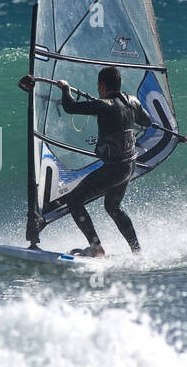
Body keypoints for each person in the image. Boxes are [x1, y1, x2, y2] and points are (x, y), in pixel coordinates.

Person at [20, 65, 152, 257]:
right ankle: (137, 251)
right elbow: (146, 122)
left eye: (99, 86)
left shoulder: (103, 104)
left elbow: (70, 107)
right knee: (113, 207)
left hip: (115, 169)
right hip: (129, 166)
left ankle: (96, 248)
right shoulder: (132, 101)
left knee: (74, 200)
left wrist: (65, 88)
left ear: (103, 85)